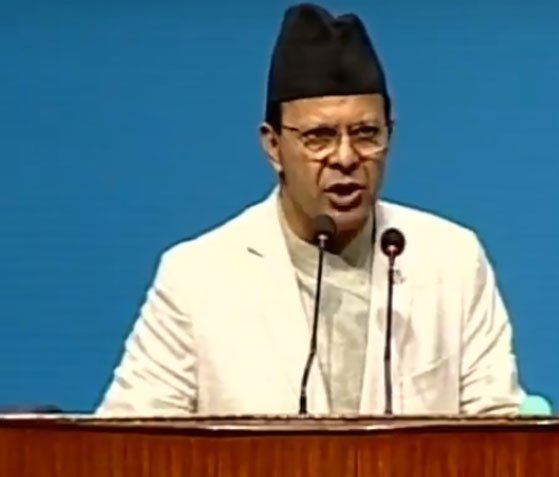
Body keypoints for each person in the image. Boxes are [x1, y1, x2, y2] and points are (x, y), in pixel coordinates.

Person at [96, 2, 525, 416]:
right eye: (319, 137)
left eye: (366, 133)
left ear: (390, 135)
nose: (346, 158)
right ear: (273, 146)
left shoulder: (452, 261)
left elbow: (497, 429)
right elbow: (130, 440)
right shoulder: (198, 278)